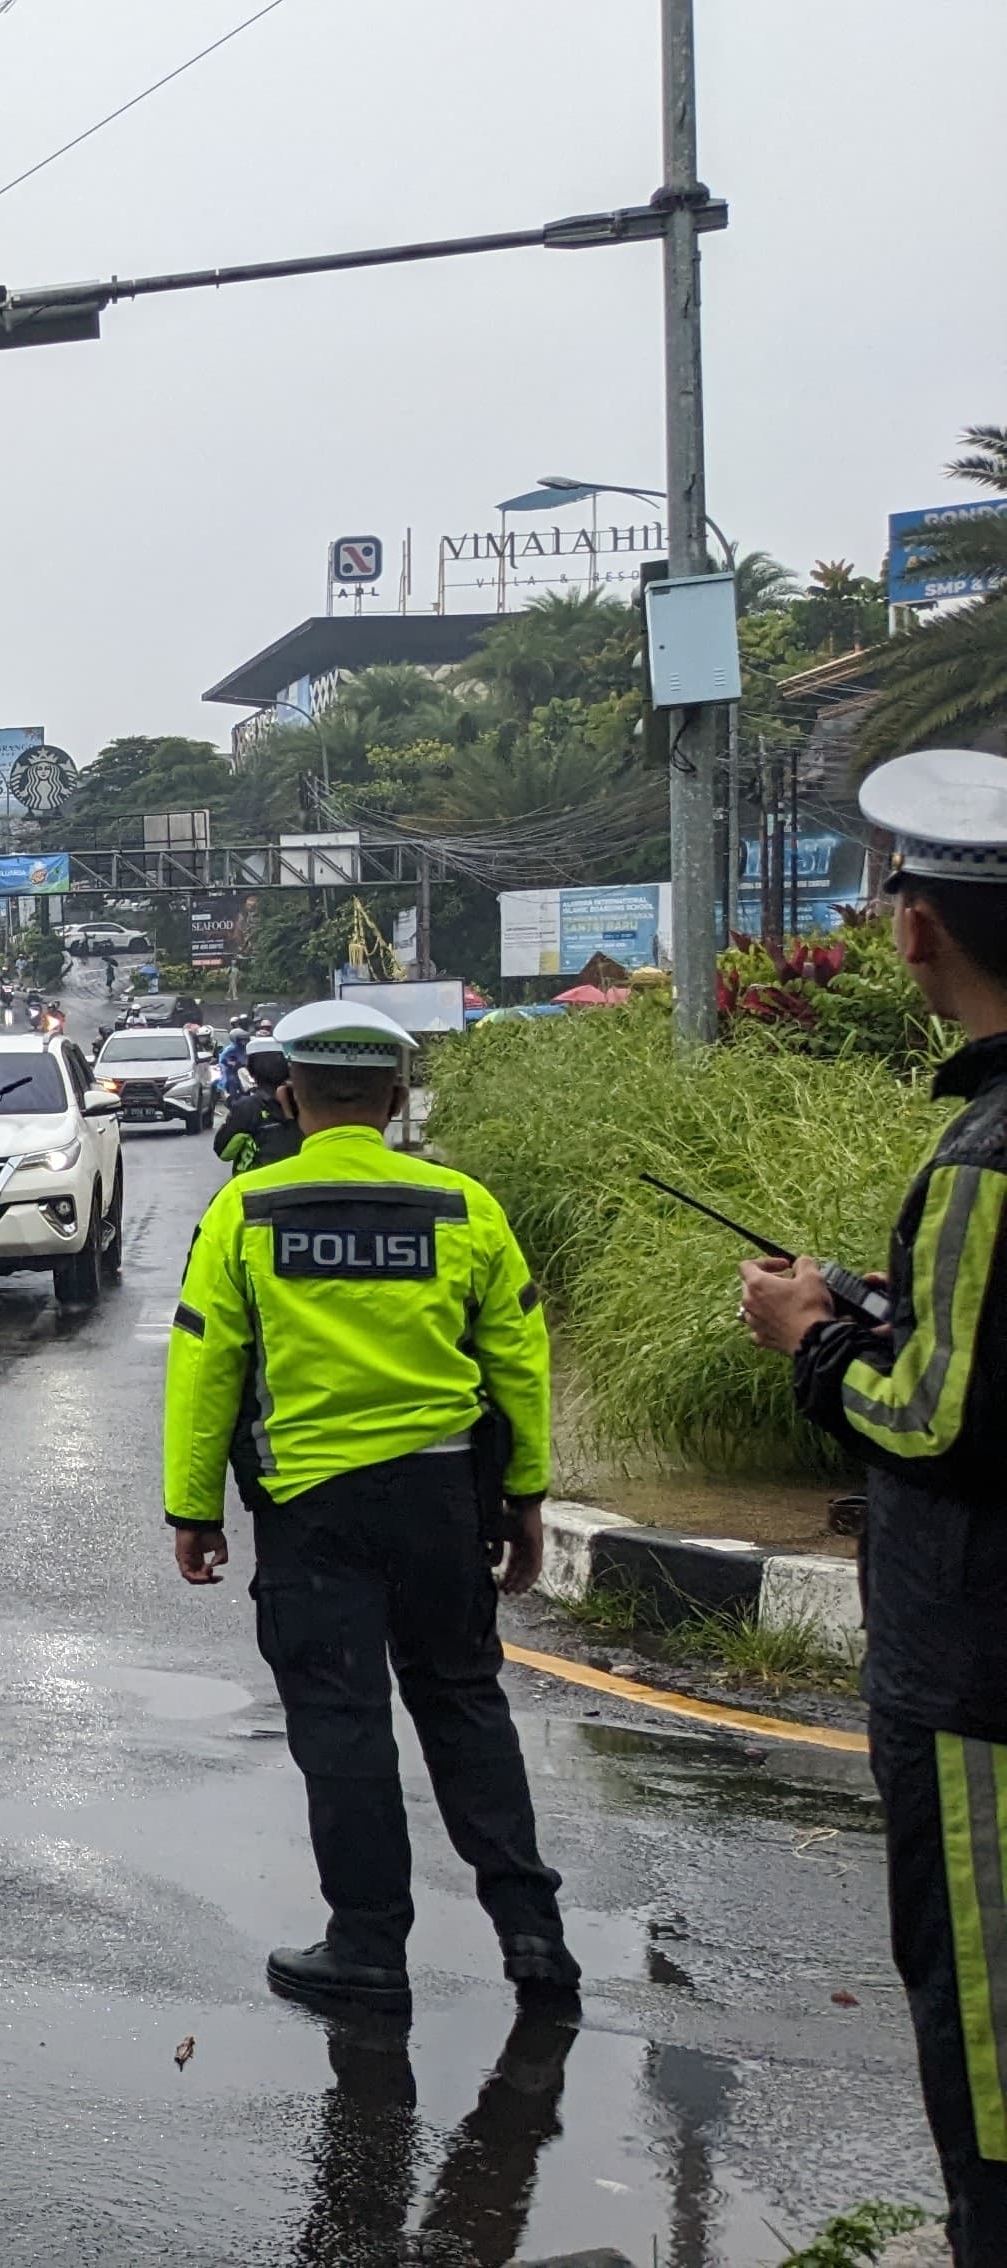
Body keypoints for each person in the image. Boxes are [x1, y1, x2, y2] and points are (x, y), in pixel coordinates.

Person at [161, 998, 572, 2017]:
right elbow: (517, 1359)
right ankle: (534, 1940)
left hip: (312, 1511)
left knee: (343, 1727)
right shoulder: (461, 1206)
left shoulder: (248, 1210)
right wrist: (525, 1497)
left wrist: (193, 1508)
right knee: (466, 1705)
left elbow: (206, 1362)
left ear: (290, 1097)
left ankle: (368, 1951)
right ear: (395, 1099)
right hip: (443, 1504)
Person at [734, 748, 1007, 2260]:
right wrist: (890, 1302)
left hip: (976, 1677)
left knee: (984, 2037)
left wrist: (812, 1338)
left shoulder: (986, 1152)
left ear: (915, 925)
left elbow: (936, 1417)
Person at [213, 1042, 302, 1174]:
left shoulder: (247, 1107)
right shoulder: (306, 1102)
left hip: (255, 1187)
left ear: (251, 1071)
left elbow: (224, 1151)